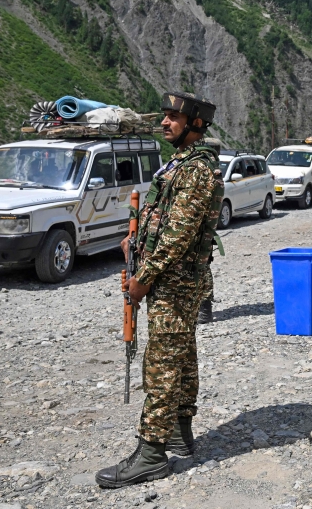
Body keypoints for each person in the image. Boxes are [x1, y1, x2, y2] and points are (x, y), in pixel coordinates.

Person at [96, 93, 223, 488]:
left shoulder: (197, 170)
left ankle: (151, 453)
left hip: (175, 280)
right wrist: (133, 244)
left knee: (162, 362)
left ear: (195, 123)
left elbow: (178, 237)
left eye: (173, 117)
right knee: (181, 354)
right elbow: (163, 219)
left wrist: (143, 278)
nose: (165, 122)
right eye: (166, 116)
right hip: (176, 278)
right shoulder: (180, 164)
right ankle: (179, 432)